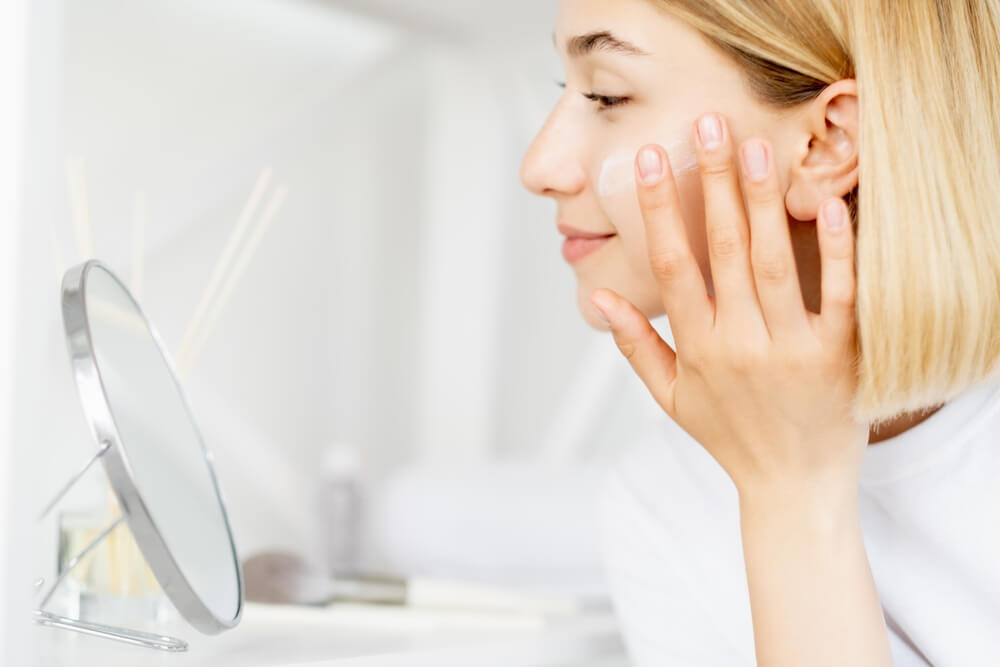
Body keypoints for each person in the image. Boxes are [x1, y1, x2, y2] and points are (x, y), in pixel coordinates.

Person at [520, 0, 1000, 664]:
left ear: (827, 145)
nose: (539, 167)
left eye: (608, 94)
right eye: (564, 88)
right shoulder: (659, 502)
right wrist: (792, 498)